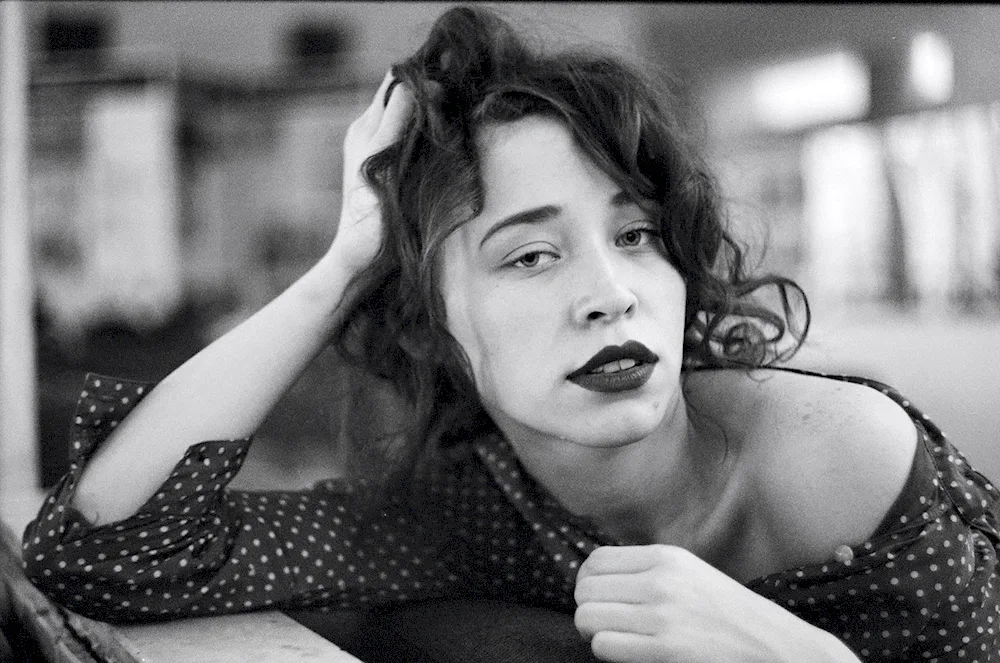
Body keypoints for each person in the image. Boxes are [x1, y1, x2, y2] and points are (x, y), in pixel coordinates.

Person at [22, 6, 999, 662]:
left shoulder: (834, 460)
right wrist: (342, 270)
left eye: (635, 236)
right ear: (437, 325)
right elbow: (101, 551)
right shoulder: (468, 511)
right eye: (529, 256)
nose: (609, 294)